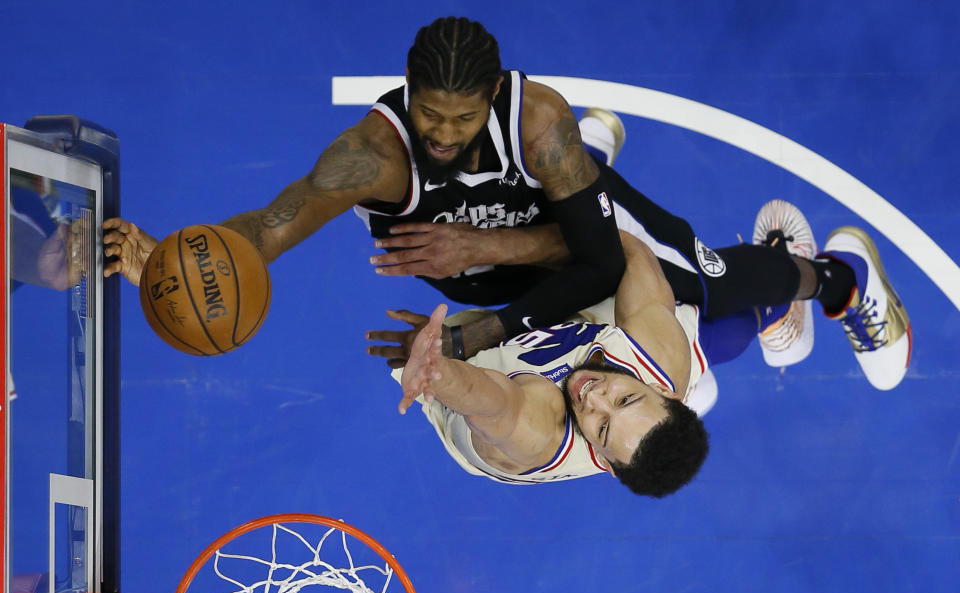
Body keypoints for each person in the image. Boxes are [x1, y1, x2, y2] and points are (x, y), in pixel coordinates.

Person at [102, 16, 910, 390]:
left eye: (462, 117)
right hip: (504, 273)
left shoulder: (537, 119)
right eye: (428, 115)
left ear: (491, 92)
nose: (444, 135)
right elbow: (269, 228)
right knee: (634, 366)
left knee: (700, 293)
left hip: (574, 237)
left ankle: (834, 278)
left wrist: (475, 253)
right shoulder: (370, 158)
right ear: (407, 91)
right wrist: (182, 261)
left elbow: (595, 258)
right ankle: (583, 177)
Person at [395, 220, 910, 498]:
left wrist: (436, 369)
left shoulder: (538, 431)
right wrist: (576, 210)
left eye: (601, 426)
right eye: (625, 397)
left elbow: (492, 402)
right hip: (586, 329)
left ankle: (803, 295)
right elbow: (631, 250)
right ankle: (829, 281)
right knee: (694, 285)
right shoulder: (663, 365)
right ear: (665, 394)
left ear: (607, 462)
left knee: (568, 229)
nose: (595, 398)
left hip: (484, 371)